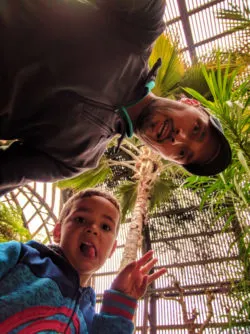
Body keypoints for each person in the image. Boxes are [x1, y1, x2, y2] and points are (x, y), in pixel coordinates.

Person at [0, 1, 232, 196]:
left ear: (169, 158)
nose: (178, 138)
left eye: (183, 153)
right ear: (192, 104)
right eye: (196, 130)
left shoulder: (76, 159)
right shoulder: (141, 30)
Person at [0, 188, 166, 333]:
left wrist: (120, 302)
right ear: (58, 232)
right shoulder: (21, 256)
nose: (93, 228)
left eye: (105, 227)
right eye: (80, 219)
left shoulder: (87, 313)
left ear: (112, 250)